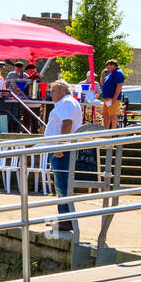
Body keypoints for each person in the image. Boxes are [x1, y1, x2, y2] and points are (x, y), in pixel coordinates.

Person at [46, 80, 81, 234]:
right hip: (62, 148)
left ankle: (67, 220)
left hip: (63, 150)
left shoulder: (66, 102)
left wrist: (60, 145)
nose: (50, 94)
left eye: (52, 91)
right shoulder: (67, 102)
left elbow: (67, 123)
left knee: (62, 184)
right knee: (60, 184)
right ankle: (63, 218)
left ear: (61, 90)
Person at [99, 59, 125, 130]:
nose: (107, 68)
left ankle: (113, 132)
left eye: (108, 67)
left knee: (113, 115)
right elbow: (102, 83)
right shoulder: (111, 74)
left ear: (113, 65)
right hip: (107, 99)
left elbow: (119, 85)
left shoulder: (118, 73)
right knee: (105, 115)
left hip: (112, 98)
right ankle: (106, 131)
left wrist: (114, 97)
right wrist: (102, 75)